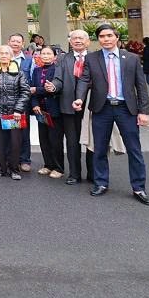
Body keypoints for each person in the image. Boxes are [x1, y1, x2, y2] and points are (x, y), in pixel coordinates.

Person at [76, 23, 149, 206]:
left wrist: (144, 112)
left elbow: (141, 86)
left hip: (126, 109)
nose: (106, 39)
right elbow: (84, 80)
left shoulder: (132, 58)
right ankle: (101, 183)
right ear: (98, 39)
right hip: (102, 108)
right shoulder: (92, 58)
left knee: (134, 150)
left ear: (117, 37)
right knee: (100, 149)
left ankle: (139, 188)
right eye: (102, 36)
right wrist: (79, 98)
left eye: (109, 35)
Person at [52, 29, 92, 185]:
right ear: (70, 42)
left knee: (92, 141)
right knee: (72, 141)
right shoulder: (63, 58)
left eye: (81, 38)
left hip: (91, 106)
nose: (78, 40)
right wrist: (53, 87)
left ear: (88, 42)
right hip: (68, 105)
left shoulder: (95, 57)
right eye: (74, 38)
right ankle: (75, 174)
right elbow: (58, 79)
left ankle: (93, 173)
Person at [0, 45, 30, 180]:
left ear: (11, 56)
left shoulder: (19, 72)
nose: (4, 55)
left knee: (14, 143)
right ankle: (2, 168)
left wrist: (18, 110)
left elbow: (25, 92)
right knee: (0, 143)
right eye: (1, 53)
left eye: (6, 53)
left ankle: (14, 169)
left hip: (13, 114)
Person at [30, 46, 64, 179]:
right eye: (43, 53)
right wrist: (35, 104)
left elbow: (54, 89)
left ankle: (58, 168)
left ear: (55, 56)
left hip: (54, 110)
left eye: (49, 54)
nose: (45, 56)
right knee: (43, 139)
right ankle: (48, 165)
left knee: (55, 140)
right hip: (41, 110)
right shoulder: (36, 70)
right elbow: (31, 90)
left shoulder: (58, 69)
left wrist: (37, 90)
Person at [5, 33, 35, 173]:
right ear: (8, 42)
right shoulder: (3, 58)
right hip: (6, 101)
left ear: (23, 44)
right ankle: (11, 159)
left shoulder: (29, 60)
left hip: (22, 101)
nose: (15, 43)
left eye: (18, 42)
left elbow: (32, 79)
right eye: (13, 41)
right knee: (9, 131)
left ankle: (24, 160)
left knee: (23, 131)